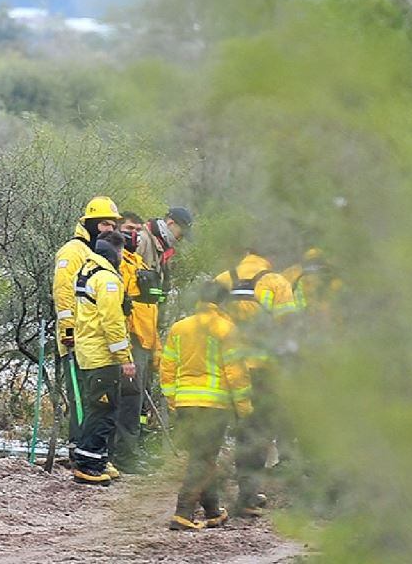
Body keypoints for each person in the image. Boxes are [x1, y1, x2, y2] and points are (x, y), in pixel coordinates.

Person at [161, 281, 253, 530]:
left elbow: (167, 368)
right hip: (214, 405)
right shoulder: (226, 328)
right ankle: (183, 512)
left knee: (202, 456)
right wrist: (243, 407)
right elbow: (235, 372)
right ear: (221, 302)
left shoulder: (179, 327)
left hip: (185, 403)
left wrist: (173, 401)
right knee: (203, 459)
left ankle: (213, 511)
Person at [215, 249, 297, 516]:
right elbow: (288, 327)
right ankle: (247, 496)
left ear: (246, 254)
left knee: (216, 431)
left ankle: (207, 497)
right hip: (261, 370)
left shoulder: (222, 279)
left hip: (225, 367)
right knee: (256, 430)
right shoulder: (277, 282)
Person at [52, 197, 122, 457]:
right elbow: (63, 292)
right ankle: (78, 450)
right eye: (104, 223)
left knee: (97, 400)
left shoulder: (97, 253)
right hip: (76, 339)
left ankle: (93, 451)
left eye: (112, 225)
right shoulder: (74, 251)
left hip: (92, 340)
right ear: (90, 223)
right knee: (81, 398)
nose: (109, 229)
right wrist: (68, 329)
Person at [72, 231, 135, 485]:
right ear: (116, 252)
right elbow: (112, 322)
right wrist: (125, 358)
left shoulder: (86, 272)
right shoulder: (107, 279)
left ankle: (96, 459)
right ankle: (88, 466)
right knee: (103, 411)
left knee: (97, 408)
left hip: (88, 353)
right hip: (102, 355)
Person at [113, 213, 161, 473]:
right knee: (128, 398)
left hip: (144, 338)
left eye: (139, 230)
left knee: (137, 399)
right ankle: (124, 455)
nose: (135, 235)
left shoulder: (139, 262)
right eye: (130, 229)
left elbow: (150, 307)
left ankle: (133, 449)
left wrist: (156, 346)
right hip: (129, 338)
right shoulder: (118, 264)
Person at [136, 206, 193, 299]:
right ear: (170, 223)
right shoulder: (142, 239)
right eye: (181, 233)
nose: (180, 238)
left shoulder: (165, 249)